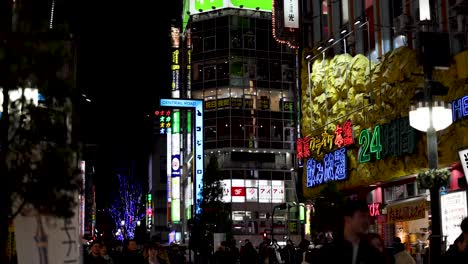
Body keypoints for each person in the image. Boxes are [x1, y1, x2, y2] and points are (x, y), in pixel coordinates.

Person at [316, 199, 385, 264]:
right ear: (348, 219)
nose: (367, 221)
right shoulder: (328, 253)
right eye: (362, 216)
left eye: (368, 217)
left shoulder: (372, 254)